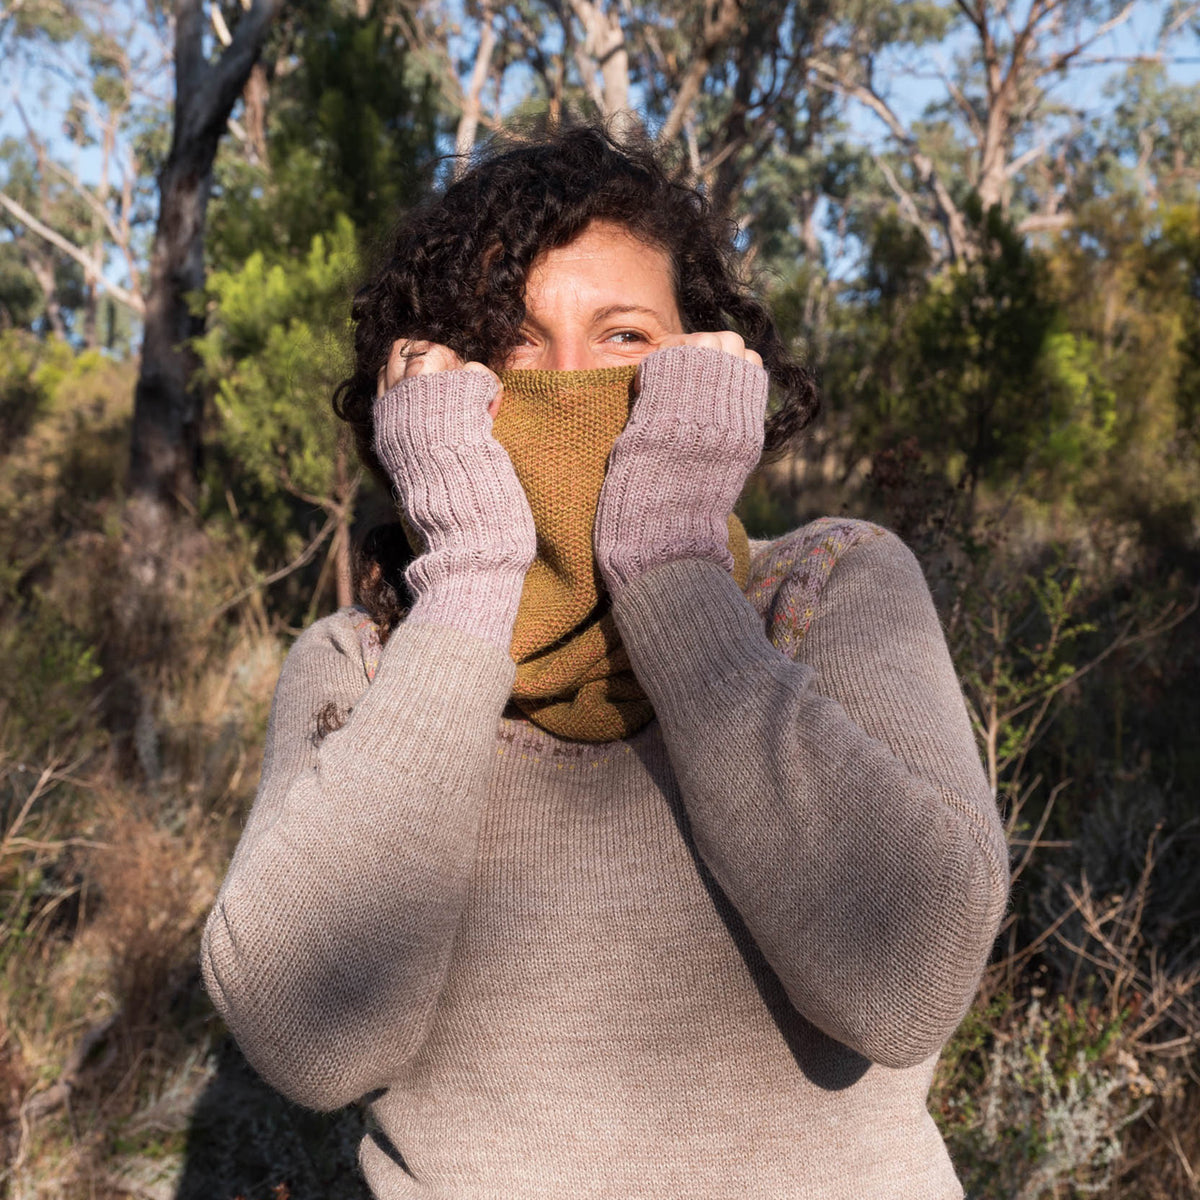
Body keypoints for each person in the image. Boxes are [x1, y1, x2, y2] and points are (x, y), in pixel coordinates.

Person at [201, 124, 1009, 1199]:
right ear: (434, 393)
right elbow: (311, 1042)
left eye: (624, 336)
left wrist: (670, 566)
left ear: (703, 366)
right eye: (510, 341)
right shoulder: (366, 660)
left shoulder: (828, 589)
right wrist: (478, 576)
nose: (568, 380)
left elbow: (906, 985)